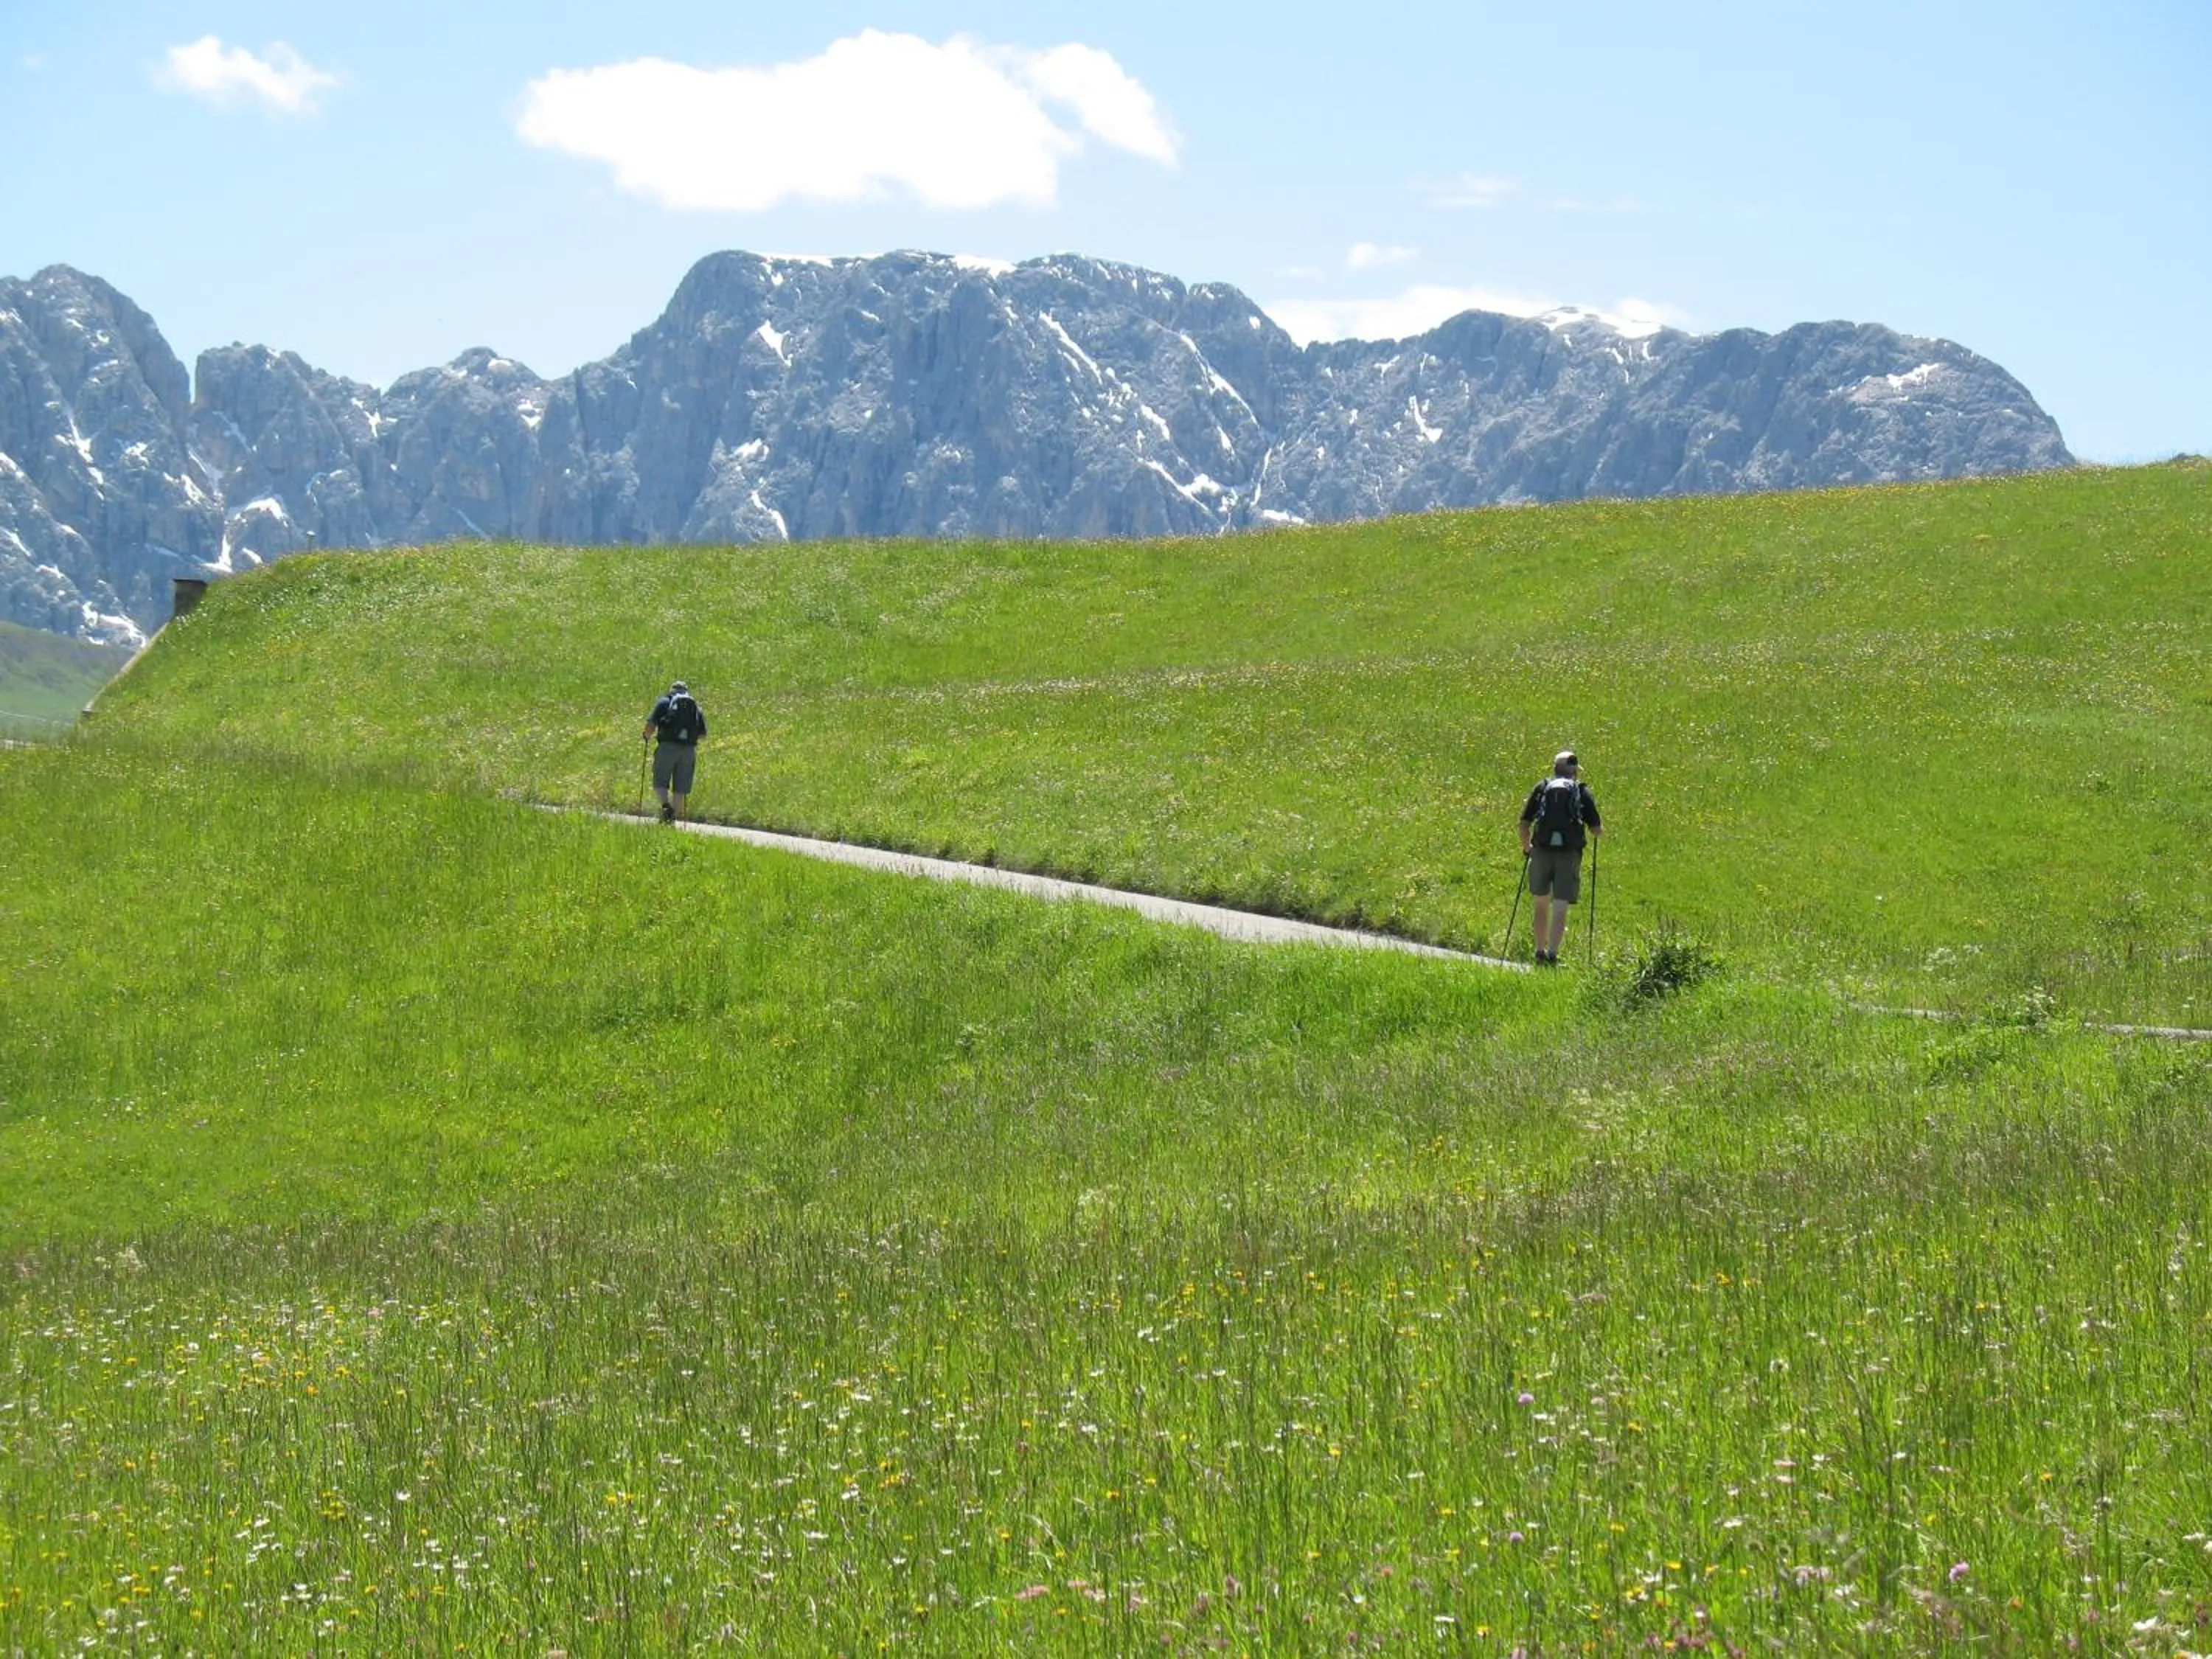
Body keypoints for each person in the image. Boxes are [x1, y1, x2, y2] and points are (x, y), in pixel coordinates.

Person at [1518, 749, 1601, 964]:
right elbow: (1596, 829)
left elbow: (1525, 822)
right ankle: (1553, 955)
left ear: (1555, 768)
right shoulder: (1581, 791)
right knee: (1561, 905)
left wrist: (1527, 846)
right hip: (1568, 854)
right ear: (1574, 770)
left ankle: (1539, 951)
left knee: (1541, 903)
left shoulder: (1542, 788)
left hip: (1542, 851)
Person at [643, 681, 706, 822]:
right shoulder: (695, 707)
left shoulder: (664, 702)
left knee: (660, 781)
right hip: (688, 751)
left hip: (667, 747)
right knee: (680, 788)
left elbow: (651, 725)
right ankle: (671, 820)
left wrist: (646, 737)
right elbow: (703, 735)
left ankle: (666, 806)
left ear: (672, 690)